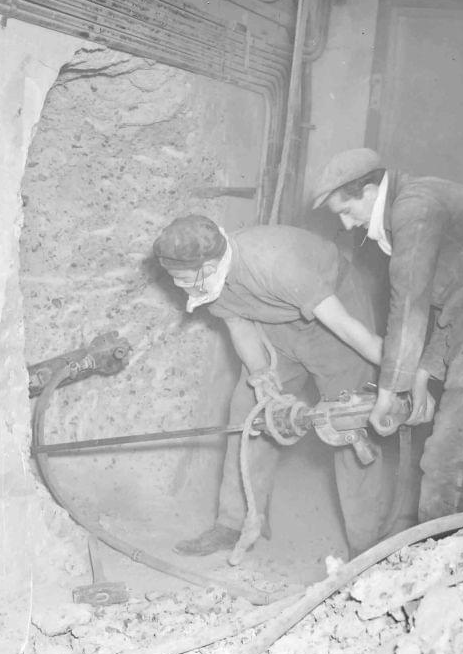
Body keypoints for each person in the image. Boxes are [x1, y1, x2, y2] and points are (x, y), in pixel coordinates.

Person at [311, 148, 463, 523]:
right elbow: (452, 302)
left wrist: (389, 392)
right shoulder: (410, 206)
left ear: (371, 190)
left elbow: (409, 303)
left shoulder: (414, 206)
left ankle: (443, 571)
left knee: (450, 459)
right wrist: (422, 378)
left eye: (347, 211)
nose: (347, 226)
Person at [153, 214, 390, 559]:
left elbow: (351, 330)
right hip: (278, 323)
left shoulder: (276, 263)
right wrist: (262, 376)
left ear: (207, 265)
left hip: (336, 317)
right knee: (248, 412)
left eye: (184, 279)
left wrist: (398, 373)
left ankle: (368, 548)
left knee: (347, 422)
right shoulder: (210, 281)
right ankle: (233, 523)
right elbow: (238, 324)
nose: (180, 287)